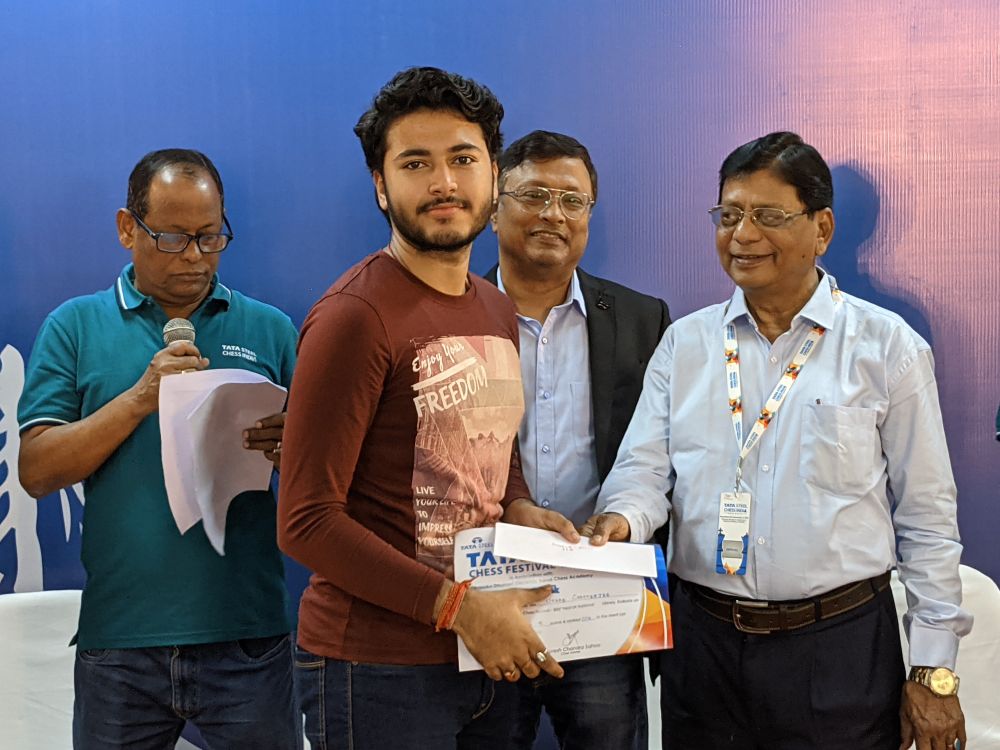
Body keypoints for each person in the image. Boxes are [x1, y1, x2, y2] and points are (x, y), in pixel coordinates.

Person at [584, 132, 972, 750]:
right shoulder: (685, 344)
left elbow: (927, 517)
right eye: (729, 215)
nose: (743, 235)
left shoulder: (886, 348)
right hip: (705, 650)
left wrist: (932, 669)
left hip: (839, 647)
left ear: (822, 229)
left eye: (768, 216)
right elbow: (644, 471)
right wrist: (622, 519)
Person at [277, 67, 579, 750]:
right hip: (376, 668)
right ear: (381, 186)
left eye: (463, 159)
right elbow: (305, 521)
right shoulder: (354, 317)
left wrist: (519, 505)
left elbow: (488, 448)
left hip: (482, 654)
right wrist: (457, 609)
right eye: (416, 163)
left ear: (493, 175)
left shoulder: (494, 307)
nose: (444, 182)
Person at [17, 149, 300, 748]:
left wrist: (290, 452)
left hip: (247, 637)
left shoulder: (271, 329)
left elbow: (324, 479)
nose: (195, 256)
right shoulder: (74, 326)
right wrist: (139, 398)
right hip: (122, 642)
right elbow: (37, 470)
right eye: (172, 238)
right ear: (128, 229)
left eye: (210, 237)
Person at [484, 129, 670, 750]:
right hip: (488, 594)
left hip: (600, 596)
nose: (553, 214)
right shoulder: (452, 315)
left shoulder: (643, 319)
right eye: (534, 195)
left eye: (572, 200)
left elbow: (661, 453)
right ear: (493, 208)